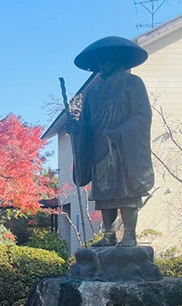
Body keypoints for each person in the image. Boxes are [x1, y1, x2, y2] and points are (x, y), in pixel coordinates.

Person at [66, 36, 154, 247]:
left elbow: (142, 115)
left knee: (126, 191)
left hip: (124, 146)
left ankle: (130, 235)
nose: (102, 65)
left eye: (107, 60)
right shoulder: (92, 92)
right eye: (99, 62)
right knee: (104, 192)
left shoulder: (132, 83)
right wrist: (76, 129)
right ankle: (108, 234)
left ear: (118, 60)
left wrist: (120, 132)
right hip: (99, 146)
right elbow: (87, 123)